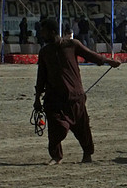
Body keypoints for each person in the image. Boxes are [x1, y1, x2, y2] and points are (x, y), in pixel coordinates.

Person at [34, 17, 121, 165]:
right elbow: (41, 76)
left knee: (83, 129)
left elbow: (91, 55)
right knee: (57, 128)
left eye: (44, 31)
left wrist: (108, 61)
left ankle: (87, 154)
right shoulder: (44, 52)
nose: (41, 34)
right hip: (54, 98)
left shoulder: (72, 45)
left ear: (53, 32)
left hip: (75, 96)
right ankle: (56, 156)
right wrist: (37, 98)